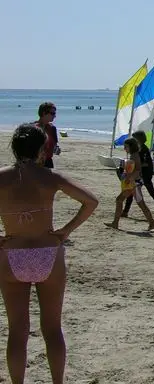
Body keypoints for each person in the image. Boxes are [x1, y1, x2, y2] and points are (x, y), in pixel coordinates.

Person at [0, 124, 99, 384]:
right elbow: (91, 201)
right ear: (42, 150)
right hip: (48, 254)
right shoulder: (50, 177)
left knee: (17, 333)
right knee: (52, 329)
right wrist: (65, 231)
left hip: (12, 254)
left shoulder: (2, 177)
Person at [108, 137, 154, 231]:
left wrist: (128, 178)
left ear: (131, 147)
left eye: (126, 147)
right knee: (139, 203)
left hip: (134, 184)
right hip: (133, 183)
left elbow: (138, 170)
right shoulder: (134, 155)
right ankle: (152, 223)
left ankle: (115, 223)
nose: (124, 148)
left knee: (121, 200)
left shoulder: (135, 156)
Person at [121, 131, 154, 219]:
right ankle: (125, 211)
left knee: (151, 192)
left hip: (145, 174)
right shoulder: (138, 149)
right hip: (140, 174)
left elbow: (146, 163)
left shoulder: (144, 149)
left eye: (135, 138)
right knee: (131, 191)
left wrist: (133, 165)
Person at [34, 102, 60, 169]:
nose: (54, 116)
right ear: (44, 113)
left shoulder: (52, 128)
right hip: (34, 162)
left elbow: (55, 149)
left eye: (55, 113)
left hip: (48, 162)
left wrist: (56, 149)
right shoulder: (32, 128)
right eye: (52, 113)